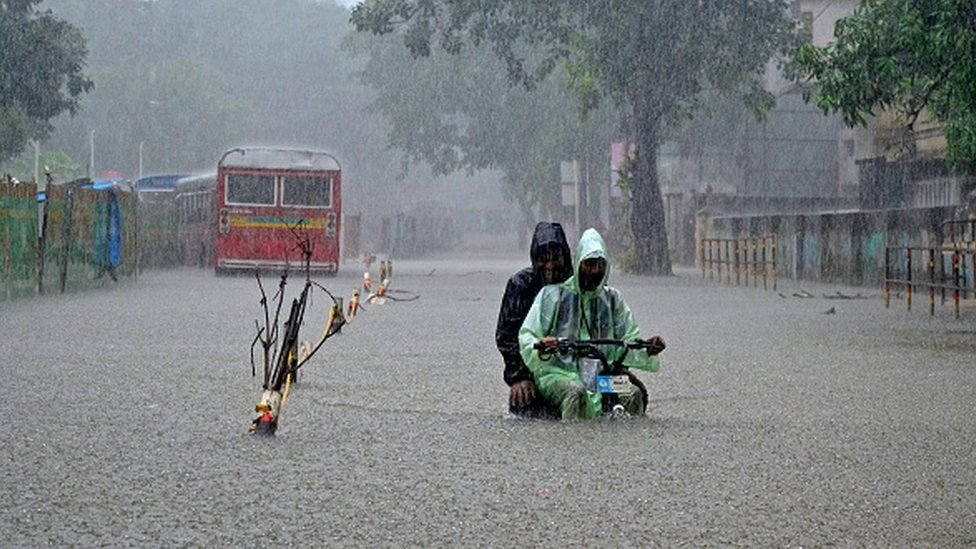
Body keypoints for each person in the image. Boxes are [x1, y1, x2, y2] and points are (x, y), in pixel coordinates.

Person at [518, 228, 665, 419]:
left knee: (633, 394)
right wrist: (542, 347)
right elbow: (527, 335)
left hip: (602, 378)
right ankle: (572, 443)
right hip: (559, 373)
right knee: (575, 393)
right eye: (589, 264)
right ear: (579, 263)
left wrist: (647, 349)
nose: (595, 271)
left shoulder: (613, 300)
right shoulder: (552, 296)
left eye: (600, 265)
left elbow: (628, 340)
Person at [495, 222, 573, 417]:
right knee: (525, 401)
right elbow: (507, 336)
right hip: (532, 370)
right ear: (534, 259)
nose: (550, 266)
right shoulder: (520, 285)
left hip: (575, 368)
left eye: (556, 259)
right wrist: (519, 376)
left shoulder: (576, 285)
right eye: (542, 259)